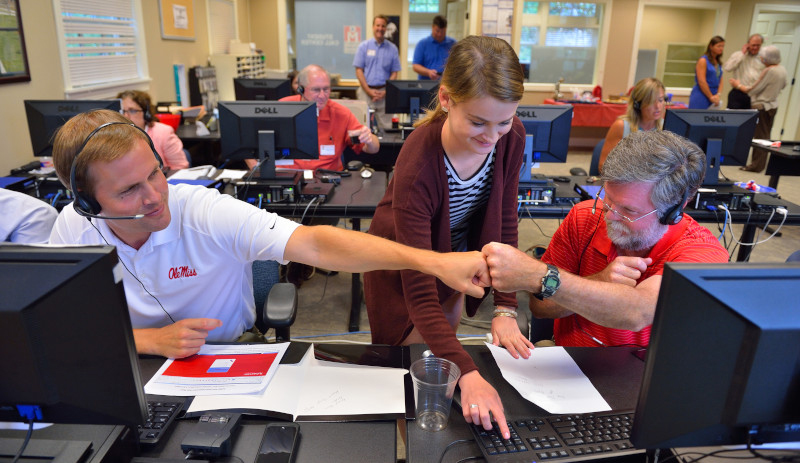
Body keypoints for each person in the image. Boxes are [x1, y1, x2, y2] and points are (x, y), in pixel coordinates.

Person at [48, 109, 492, 360]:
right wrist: (146, 340)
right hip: (129, 361)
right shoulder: (73, 227)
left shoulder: (201, 210)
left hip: (227, 355)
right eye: (128, 191)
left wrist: (433, 261)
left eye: (156, 174)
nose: (154, 196)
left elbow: (316, 243)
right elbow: (57, 323)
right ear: (87, 203)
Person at [364, 36, 531, 440]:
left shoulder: (512, 138)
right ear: (446, 98)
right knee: (408, 371)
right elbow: (419, 292)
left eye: (504, 121)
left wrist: (506, 309)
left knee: (444, 358)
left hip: (458, 258)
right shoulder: (419, 162)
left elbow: (506, 221)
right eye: (478, 122)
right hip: (401, 264)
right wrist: (470, 373)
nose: (493, 136)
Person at [483, 130, 729, 349]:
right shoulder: (585, 217)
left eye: (629, 210)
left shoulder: (702, 253)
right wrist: (599, 281)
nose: (609, 215)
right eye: (607, 198)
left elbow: (637, 311)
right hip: (570, 364)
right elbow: (541, 308)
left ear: (674, 209)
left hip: (639, 382)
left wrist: (541, 276)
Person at [245, 65, 378, 172]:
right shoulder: (283, 108)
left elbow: (373, 148)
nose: (322, 95)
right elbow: (247, 142)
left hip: (327, 181)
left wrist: (369, 139)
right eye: (316, 90)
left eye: (326, 89)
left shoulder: (341, 113)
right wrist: (254, 166)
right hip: (288, 178)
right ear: (301, 89)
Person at [730, 45, 787, 172]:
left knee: (760, 137)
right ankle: (758, 164)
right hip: (772, 106)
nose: (761, 58)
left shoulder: (769, 71)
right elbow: (784, 85)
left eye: (763, 56)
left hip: (763, 106)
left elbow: (753, 90)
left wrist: (737, 85)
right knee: (765, 135)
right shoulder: (782, 69)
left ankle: (756, 165)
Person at [598, 77, 665, 172]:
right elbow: (603, 166)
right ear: (638, 104)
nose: (658, 107)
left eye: (660, 100)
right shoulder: (621, 126)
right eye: (651, 102)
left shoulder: (666, 127)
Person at [117, 90, 189, 170]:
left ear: (146, 114)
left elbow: (180, 167)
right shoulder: (115, 137)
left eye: (132, 111)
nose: (126, 116)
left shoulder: (164, 133)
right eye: (122, 111)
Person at [353, 15, 402, 130]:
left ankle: (385, 149)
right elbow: (359, 70)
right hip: (365, 92)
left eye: (383, 26)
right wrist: (369, 91)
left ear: (386, 28)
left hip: (384, 93)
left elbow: (394, 72)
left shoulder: (393, 49)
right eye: (378, 25)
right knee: (362, 126)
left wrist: (385, 91)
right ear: (373, 27)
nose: (380, 28)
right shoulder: (363, 47)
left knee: (387, 127)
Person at [722, 34, 764, 109]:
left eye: (758, 45)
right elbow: (728, 68)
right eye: (753, 45)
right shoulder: (738, 55)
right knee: (733, 119)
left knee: (751, 120)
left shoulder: (763, 58)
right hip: (738, 95)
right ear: (748, 44)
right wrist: (742, 54)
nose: (755, 48)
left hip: (754, 96)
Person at [412, 15, 455, 80]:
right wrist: (428, 72)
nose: (439, 34)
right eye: (437, 31)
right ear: (432, 27)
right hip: (426, 84)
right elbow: (415, 66)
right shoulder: (422, 44)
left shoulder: (453, 44)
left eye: (442, 32)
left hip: (446, 83)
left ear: (446, 29)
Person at [689, 36, 725, 109]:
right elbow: (701, 81)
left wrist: (718, 94)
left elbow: (720, 80)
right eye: (719, 46)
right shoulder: (703, 60)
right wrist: (710, 96)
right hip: (702, 95)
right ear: (711, 46)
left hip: (714, 96)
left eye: (723, 46)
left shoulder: (717, 62)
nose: (721, 48)